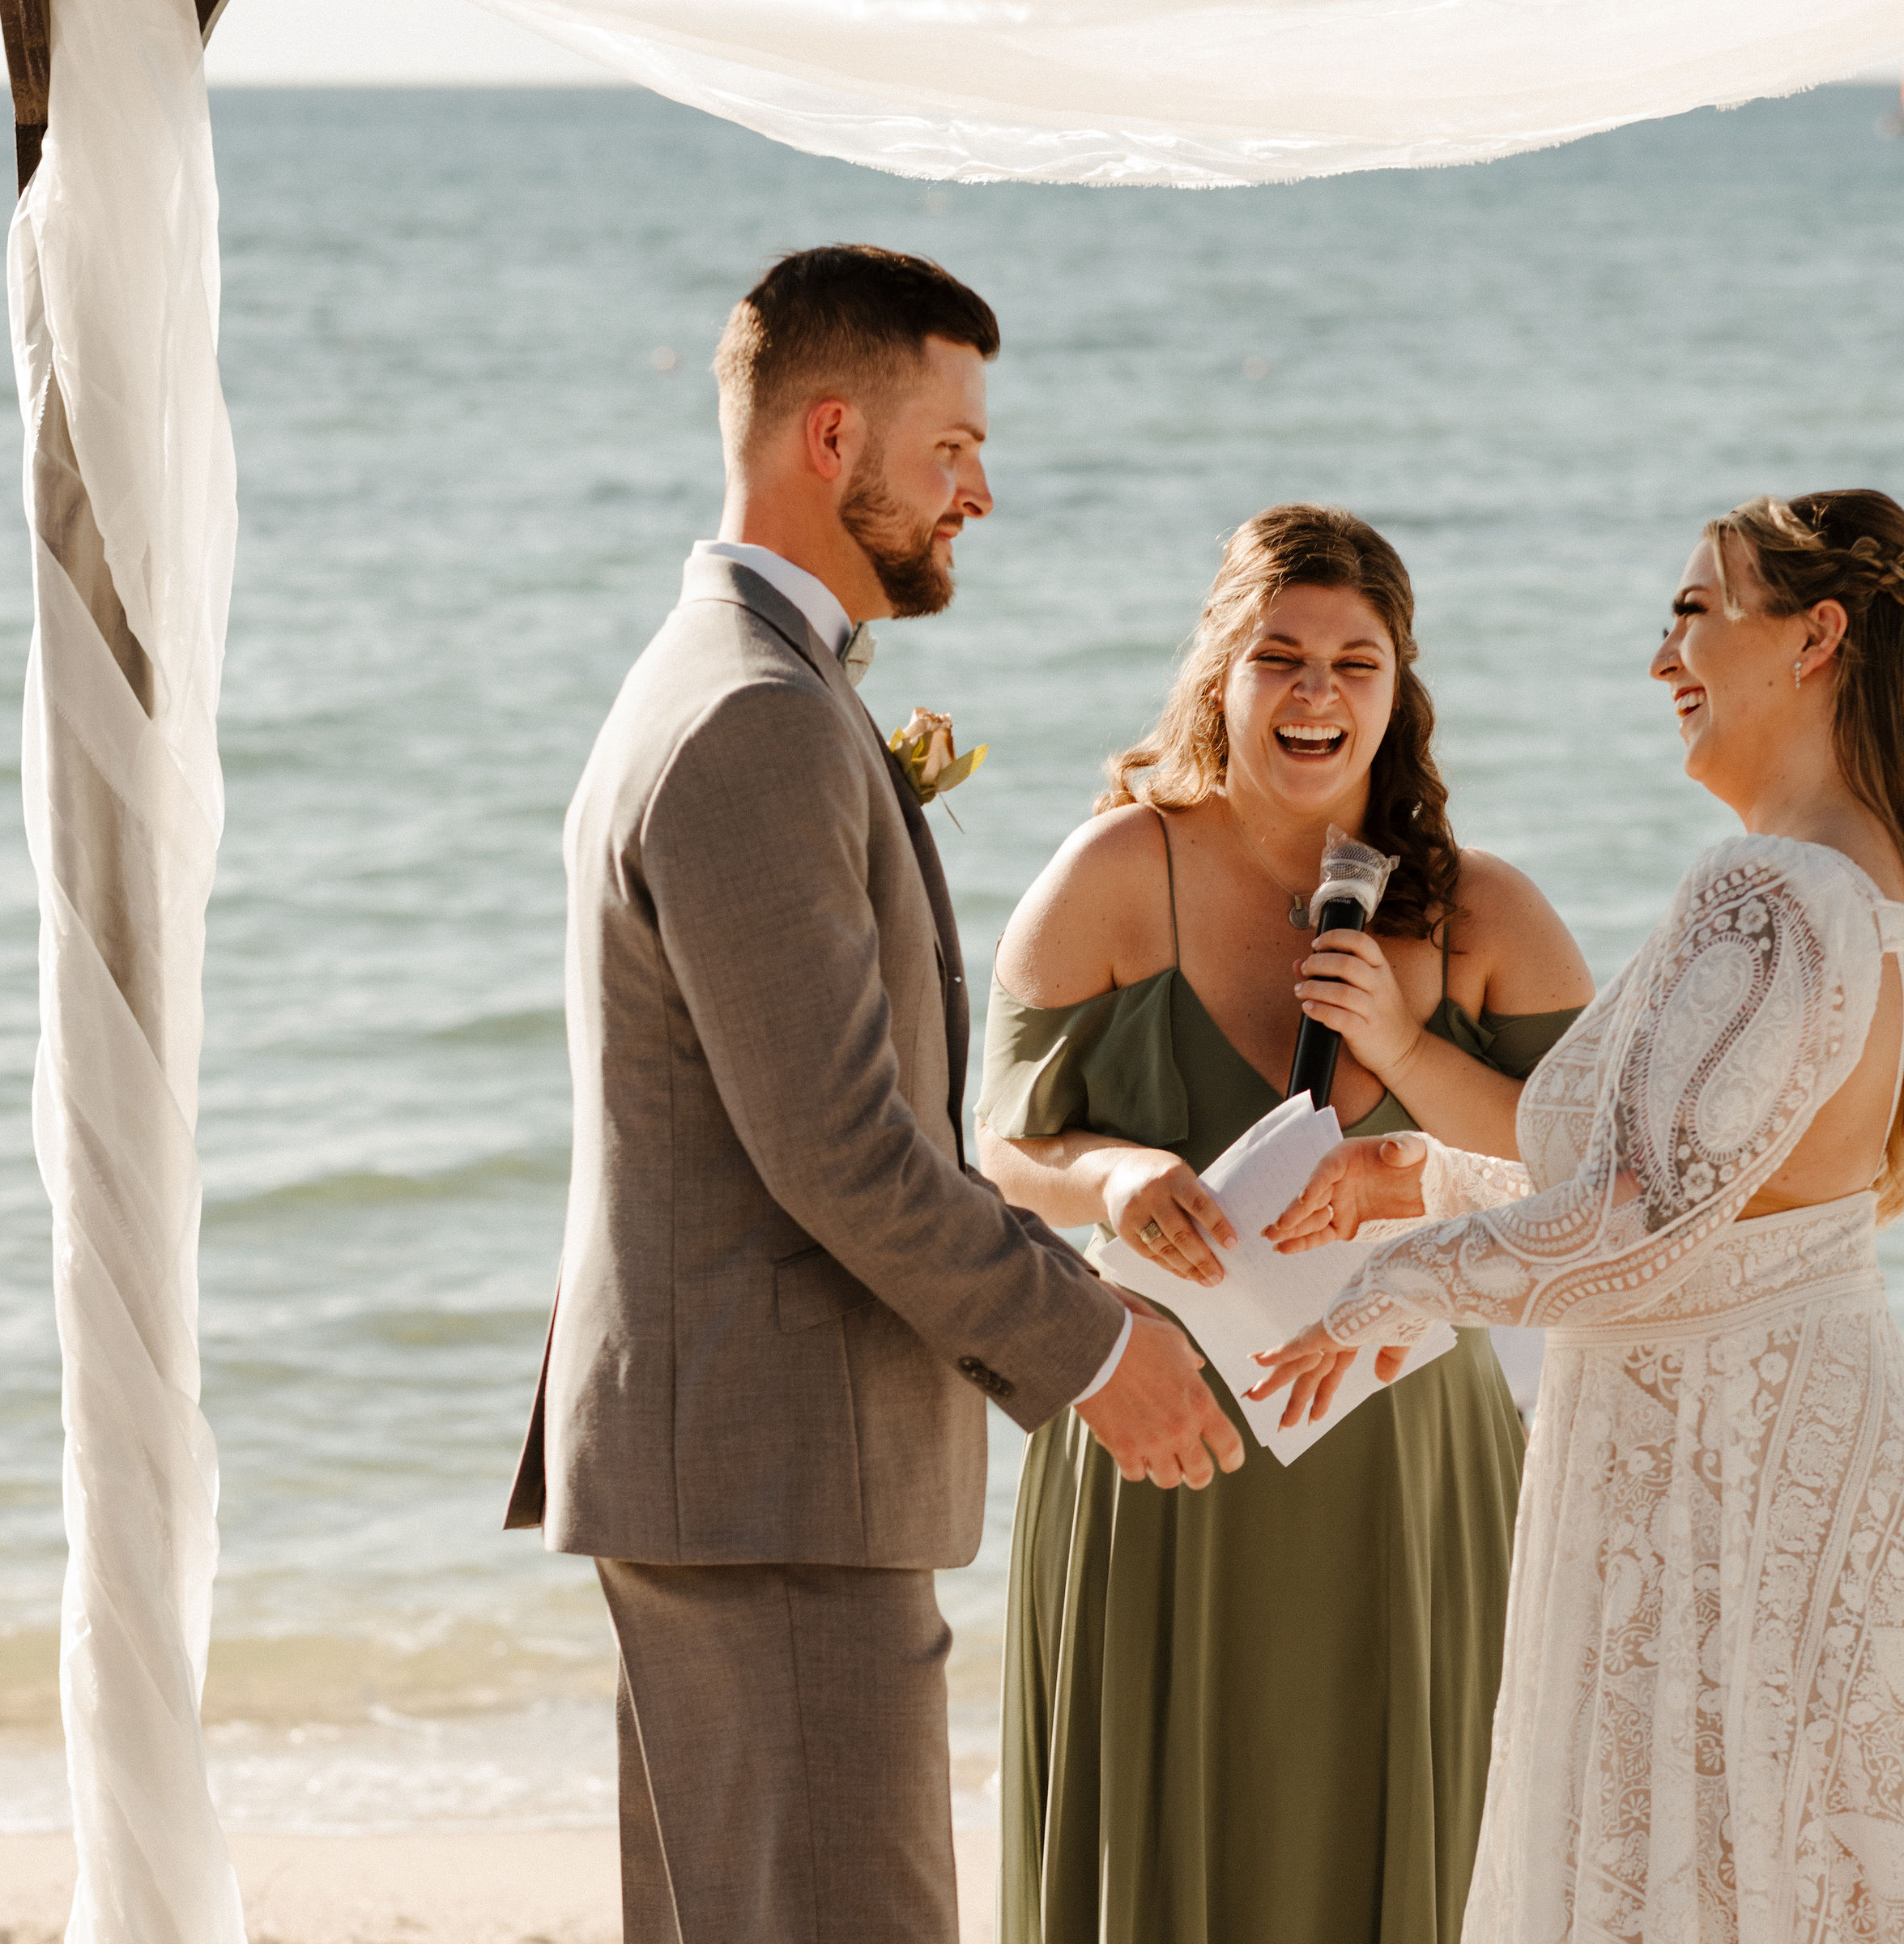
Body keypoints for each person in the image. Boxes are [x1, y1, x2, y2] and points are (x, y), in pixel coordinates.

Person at [503, 245, 1242, 1944]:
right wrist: (1096, 1346)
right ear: (831, 439)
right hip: (772, 1481)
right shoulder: (756, 714)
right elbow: (837, 1147)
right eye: (953, 445)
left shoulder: (748, 679)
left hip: (746, 1463)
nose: (982, 489)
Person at [1254, 494, 1904, 1943]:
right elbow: (1701, 1205)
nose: (1663, 656)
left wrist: (1394, 1285)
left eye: (1695, 611)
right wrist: (1435, 1177)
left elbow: (1639, 1224)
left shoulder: (1772, 894)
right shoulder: (1865, 889)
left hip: (1735, 1499)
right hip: (1777, 1468)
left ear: (1815, 639)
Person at [977, 503, 1597, 1944]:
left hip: (1409, 1460)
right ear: (1221, 674)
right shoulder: (1117, 873)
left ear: (1400, 690)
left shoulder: (1484, 914)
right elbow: (1000, 1150)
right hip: (1163, 1436)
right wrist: (1117, 1175)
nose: (1318, 693)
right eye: (1281, 656)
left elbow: (1601, 1173)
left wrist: (1417, 1049)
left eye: (1355, 662)